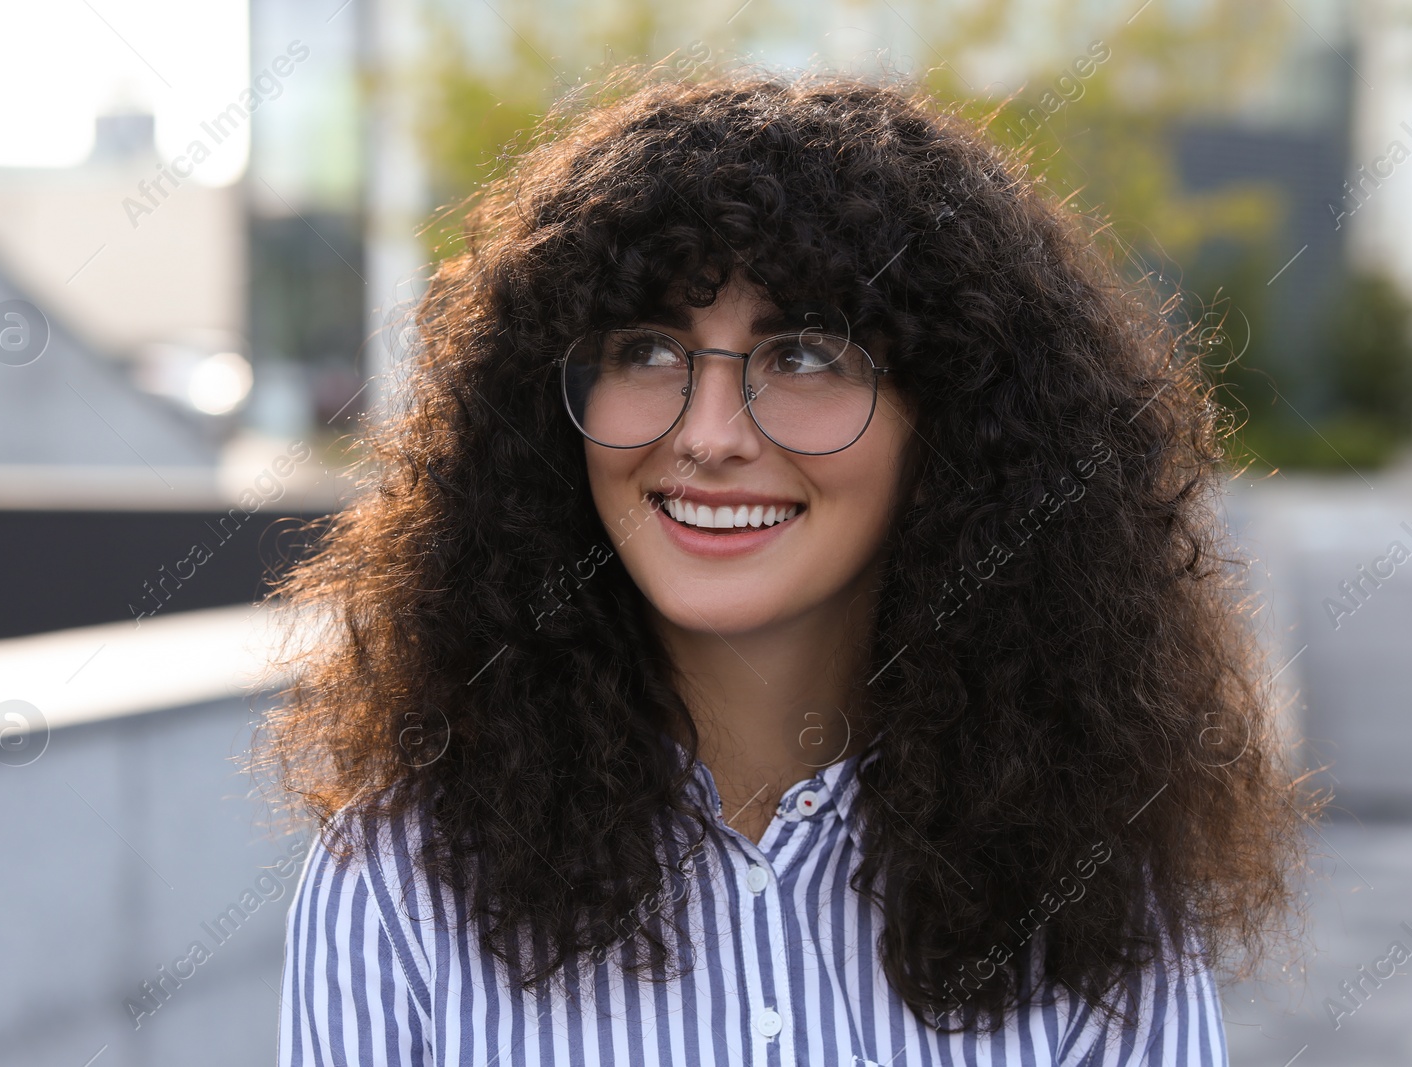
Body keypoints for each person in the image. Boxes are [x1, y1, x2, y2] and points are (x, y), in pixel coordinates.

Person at [261, 64, 1310, 1066]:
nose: (708, 432)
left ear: (956, 429)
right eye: (646, 348)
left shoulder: (1089, 887)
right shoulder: (400, 884)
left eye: (804, 354)